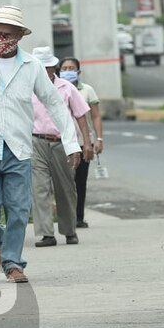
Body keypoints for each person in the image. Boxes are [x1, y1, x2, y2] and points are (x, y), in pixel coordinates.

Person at [0, 6, 83, 283]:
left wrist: (71, 144)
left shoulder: (32, 66)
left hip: (19, 150)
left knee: (19, 210)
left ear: (20, 36)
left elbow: (55, 105)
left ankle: (13, 263)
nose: (1, 39)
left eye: (7, 34)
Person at [31, 48, 93, 247]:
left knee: (65, 188)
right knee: (39, 188)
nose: (43, 71)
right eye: (39, 68)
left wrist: (87, 143)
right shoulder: (28, 88)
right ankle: (46, 234)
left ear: (53, 68)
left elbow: (81, 115)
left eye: (47, 67)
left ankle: (69, 230)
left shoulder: (66, 88)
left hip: (62, 143)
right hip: (36, 142)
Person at [59, 57, 103, 228]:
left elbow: (96, 116)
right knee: (64, 181)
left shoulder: (87, 90)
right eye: (64, 68)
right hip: (62, 142)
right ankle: (65, 216)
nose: (67, 71)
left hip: (83, 141)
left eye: (71, 68)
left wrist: (98, 139)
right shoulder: (54, 89)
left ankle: (78, 217)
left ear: (78, 71)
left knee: (80, 181)